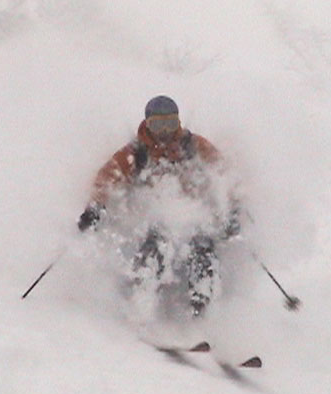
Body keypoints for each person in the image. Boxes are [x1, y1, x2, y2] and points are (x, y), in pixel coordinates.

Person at [77, 95, 241, 317]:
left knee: (202, 247)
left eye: (170, 124)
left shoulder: (193, 146)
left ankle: (202, 307)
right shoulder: (137, 153)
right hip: (155, 216)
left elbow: (224, 172)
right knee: (155, 247)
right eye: (158, 125)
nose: (164, 132)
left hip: (192, 214)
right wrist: (96, 207)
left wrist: (233, 209)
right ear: (147, 124)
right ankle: (141, 303)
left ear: (178, 122)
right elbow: (107, 178)